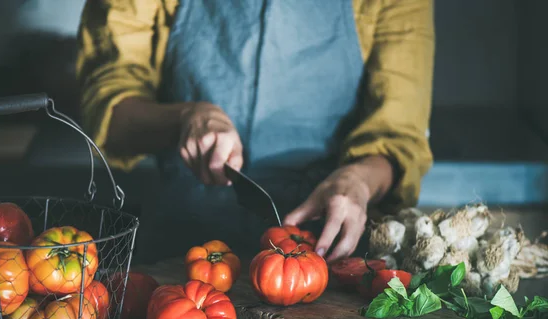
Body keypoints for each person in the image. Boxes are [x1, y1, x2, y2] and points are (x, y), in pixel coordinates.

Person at [76, 0, 434, 263]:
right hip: (182, 250)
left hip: (328, 251)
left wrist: (359, 179)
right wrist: (184, 118)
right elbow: (106, 109)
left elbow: (399, 134)